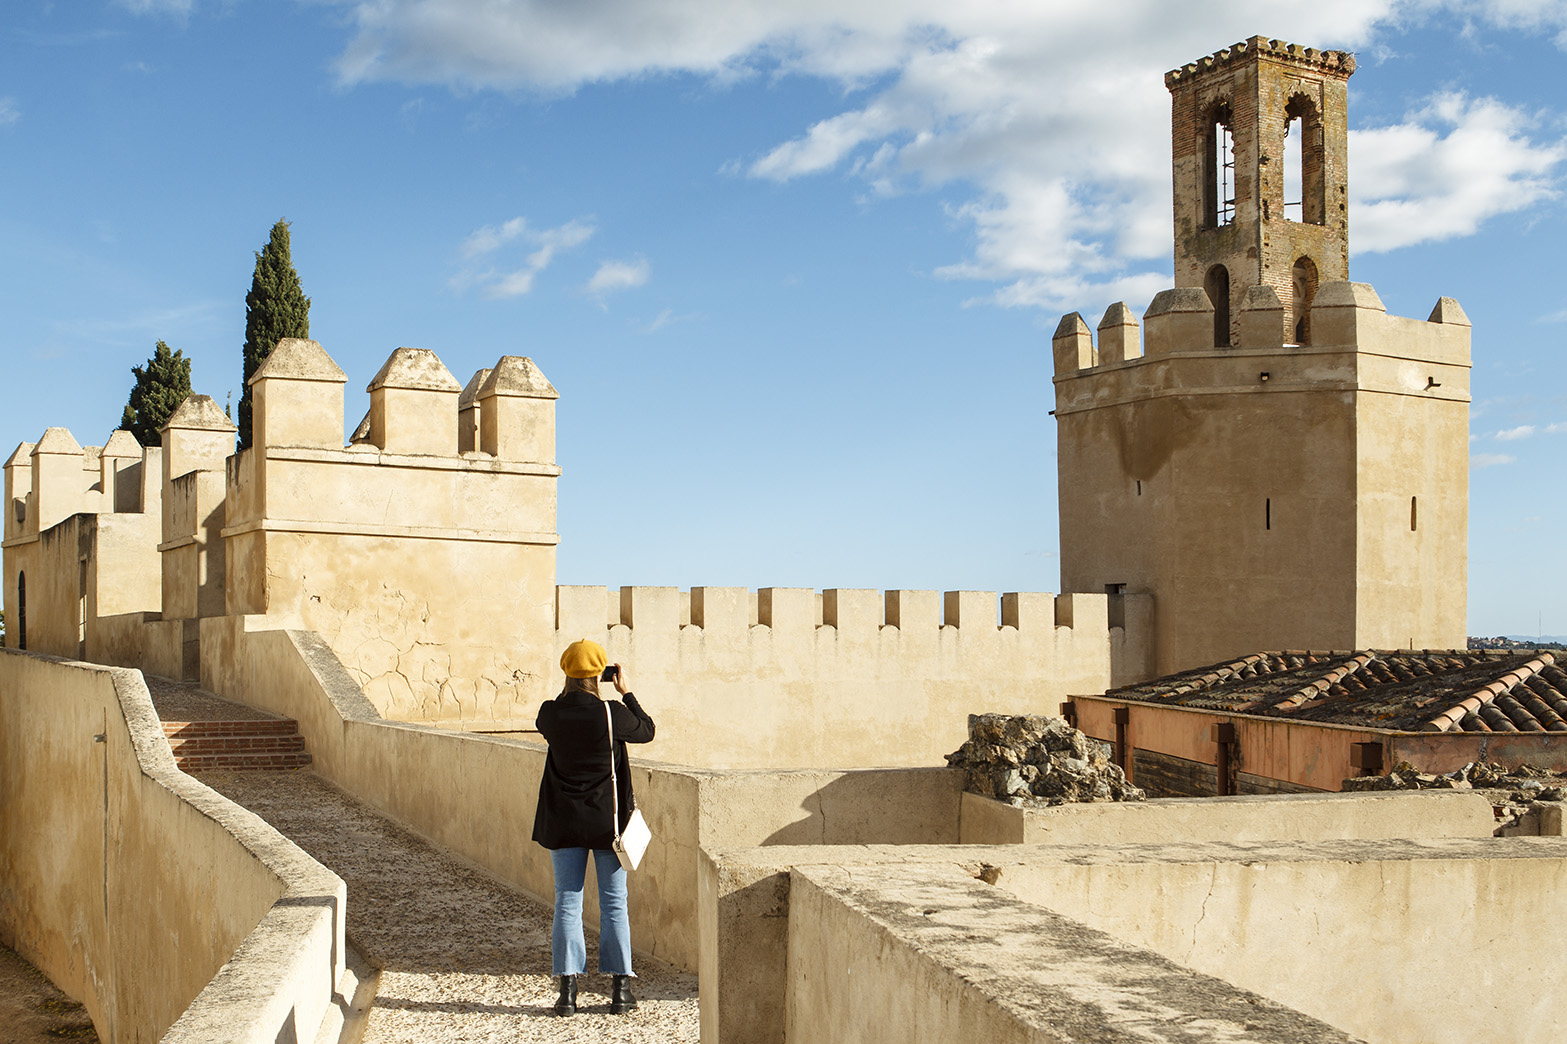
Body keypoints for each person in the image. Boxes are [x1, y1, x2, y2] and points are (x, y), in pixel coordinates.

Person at [532, 639, 655, 1017]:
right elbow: (647, 730)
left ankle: (567, 993)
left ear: (567, 672)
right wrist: (625, 691)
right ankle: (620, 991)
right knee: (614, 904)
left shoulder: (549, 714)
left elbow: (555, 715)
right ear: (599, 674)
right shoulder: (612, 714)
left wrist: (575, 680)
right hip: (607, 823)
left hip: (565, 823)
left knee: (567, 903)